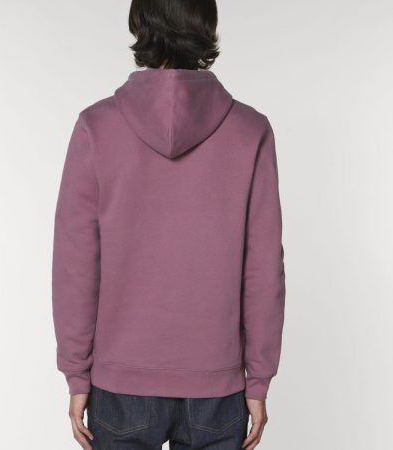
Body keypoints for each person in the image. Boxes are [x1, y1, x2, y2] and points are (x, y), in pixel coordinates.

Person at [51, 0, 286, 448]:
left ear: (140, 25)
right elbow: (264, 269)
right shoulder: (250, 130)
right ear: (207, 27)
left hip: (120, 386)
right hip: (217, 388)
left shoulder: (96, 127)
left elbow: (75, 264)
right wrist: (258, 380)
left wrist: (77, 373)